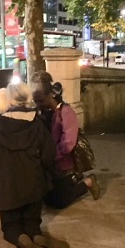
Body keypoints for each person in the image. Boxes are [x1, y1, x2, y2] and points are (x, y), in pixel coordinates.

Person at [0, 82, 69, 248]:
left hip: (8, 187)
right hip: (34, 184)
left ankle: (19, 237)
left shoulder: (0, 125)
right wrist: (47, 174)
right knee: (32, 219)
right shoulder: (37, 123)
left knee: (10, 224)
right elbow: (48, 155)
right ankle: (35, 234)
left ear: (10, 100)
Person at [30, 71, 100, 209]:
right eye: (35, 101)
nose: (37, 104)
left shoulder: (66, 112)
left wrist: (51, 156)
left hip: (62, 165)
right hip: (48, 165)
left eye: (40, 100)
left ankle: (87, 182)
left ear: (50, 95)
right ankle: (72, 182)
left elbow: (68, 143)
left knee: (59, 201)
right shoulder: (42, 113)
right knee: (47, 200)